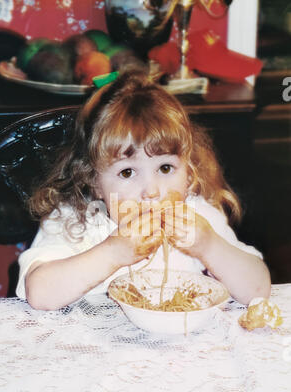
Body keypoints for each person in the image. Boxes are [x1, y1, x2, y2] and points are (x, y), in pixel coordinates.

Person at [16, 71, 271, 310]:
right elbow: (39, 294)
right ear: (93, 180)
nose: (151, 191)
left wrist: (210, 246)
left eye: (166, 168)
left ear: (189, 172)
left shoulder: (199, 220)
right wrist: (113, 252)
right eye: (127, 172)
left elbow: (258, 290)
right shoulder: (74, 222)